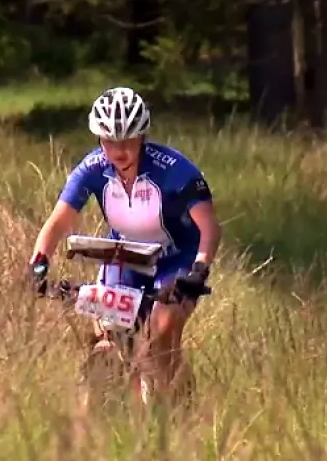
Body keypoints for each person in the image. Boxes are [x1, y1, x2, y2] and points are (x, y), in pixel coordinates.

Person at [27, 86, 222, 406]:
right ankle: (121, 413)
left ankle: (179, 409)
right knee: (111, 334)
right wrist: (38, 263)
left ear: (142, 137)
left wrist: (200, 269)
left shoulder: (175, 170)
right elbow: (59, 221)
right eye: (109, 141)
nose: (119, 151)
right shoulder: (91, 168)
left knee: (161, 335)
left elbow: (210, 228)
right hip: (126, 257)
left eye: (128, 141)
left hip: (177, 258)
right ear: (98, 140)